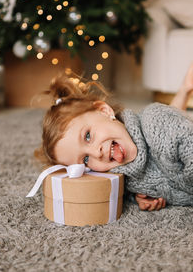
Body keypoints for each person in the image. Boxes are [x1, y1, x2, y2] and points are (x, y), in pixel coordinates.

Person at [35, 64, 193, 211]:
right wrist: (138, 196)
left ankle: (185, 89)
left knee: (170, 127)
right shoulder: (123, 176)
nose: (97, 153)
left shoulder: (154, 121)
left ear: (104, 111)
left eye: (88, 136)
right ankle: (185, 90)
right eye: (85, 160)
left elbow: (184, 141)